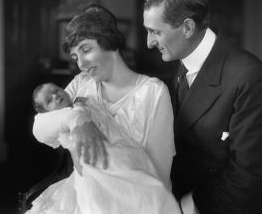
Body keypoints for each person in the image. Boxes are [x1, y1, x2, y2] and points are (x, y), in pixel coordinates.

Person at [142, 0, 262, 214]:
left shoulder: (250, 76)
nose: (149, 42)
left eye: (155, 31)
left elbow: (250, 173)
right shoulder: (178, 62)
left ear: (187, 27)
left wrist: (186, 206)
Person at [26, 82, 181, 214]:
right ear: (47, 112)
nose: (56, 96)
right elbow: (44, 128)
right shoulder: (62, 123)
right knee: (100, 201)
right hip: (92, 167)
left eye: (56, 90)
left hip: (118, 153)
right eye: (49, 100)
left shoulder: (83, 101)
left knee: (141, 188)